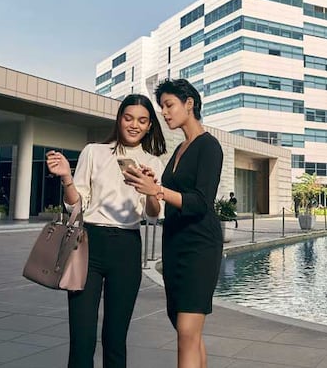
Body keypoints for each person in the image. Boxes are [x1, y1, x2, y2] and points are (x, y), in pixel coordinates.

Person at [46, 94, 166, 368]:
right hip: (88, 244)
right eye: (128, 118)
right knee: (82, 339)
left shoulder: (153, 163)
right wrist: (66, 177)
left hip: (127, 248)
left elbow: (153, 214)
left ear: (149, 126)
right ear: (119, 119)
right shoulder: (94, 152)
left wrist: (149, 189)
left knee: (115, 338)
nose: (134, 125)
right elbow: (76, 205)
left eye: (142, 120)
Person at [126, 79, 223, 368]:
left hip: (199, 246)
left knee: (187, 333)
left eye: (169, 105)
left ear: (189, 103)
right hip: (175, 244)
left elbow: (201, 202)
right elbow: (171, 194)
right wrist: (153, 183)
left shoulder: (209, 146)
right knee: (186, 330)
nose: (164, 113)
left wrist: (158, 190)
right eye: (162, 108)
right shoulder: (180, 149)